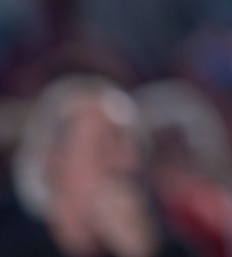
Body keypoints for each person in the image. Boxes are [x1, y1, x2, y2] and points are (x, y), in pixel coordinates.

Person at [1, 75, 191, 257]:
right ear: (55, 162)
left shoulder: (172, 247)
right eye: (104, 149)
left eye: (136, 149)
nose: (129, 164)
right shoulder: (10, 243)